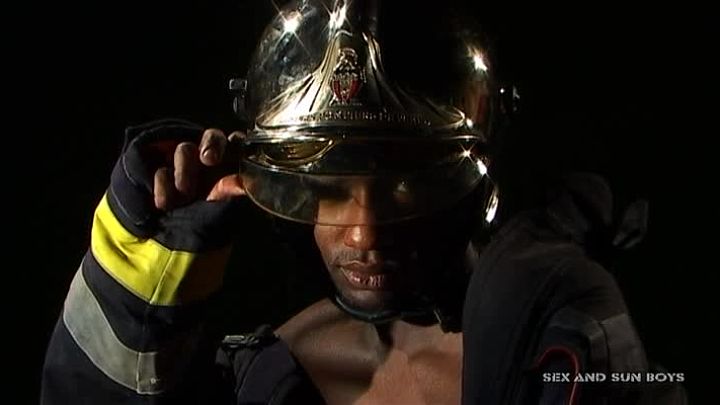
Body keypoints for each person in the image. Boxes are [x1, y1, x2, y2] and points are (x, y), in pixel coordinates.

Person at [41, 0, 687, 404]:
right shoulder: (270, 372)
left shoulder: (565, 330)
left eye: (402, 183)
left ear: (470, 181)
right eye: (328, 186)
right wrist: (145, 271)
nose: (363, 232)